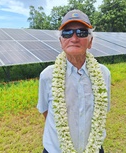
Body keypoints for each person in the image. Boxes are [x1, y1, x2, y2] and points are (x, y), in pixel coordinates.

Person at [37, 9, 111, 153]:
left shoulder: (103, 74)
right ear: (61, 41)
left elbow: (103, 109)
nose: (74, 38)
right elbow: (45, 111)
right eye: (67, 33)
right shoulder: (47, 75)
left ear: (90, 41)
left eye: (82, 32)